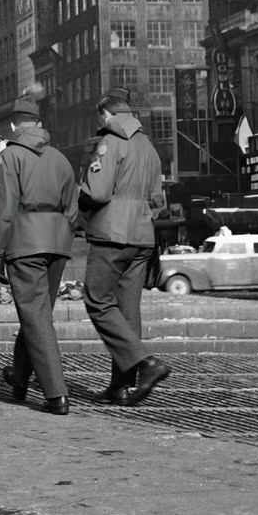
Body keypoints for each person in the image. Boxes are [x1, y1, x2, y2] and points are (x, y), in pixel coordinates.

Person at [0, 96, 79, 415]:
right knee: (37, 314)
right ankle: (20, 377)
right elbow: (72, 207)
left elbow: (3, 207)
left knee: (36, 317)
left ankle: (56, 393)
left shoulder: (9, 157)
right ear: (38, 124)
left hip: (24, 241)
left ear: (13, 125)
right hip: (57, 243)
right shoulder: (60, 158)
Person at [80, 90, 169, 406]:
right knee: (128, 311)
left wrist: (80, 199)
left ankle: (146, 363)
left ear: (105, 114)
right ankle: (121, 386)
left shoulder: (110, 141)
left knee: (97, 299)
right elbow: (158, 201)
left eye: (98, 118)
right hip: (142, 235)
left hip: (112, 233)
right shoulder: (149, 147)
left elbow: (98, 191)